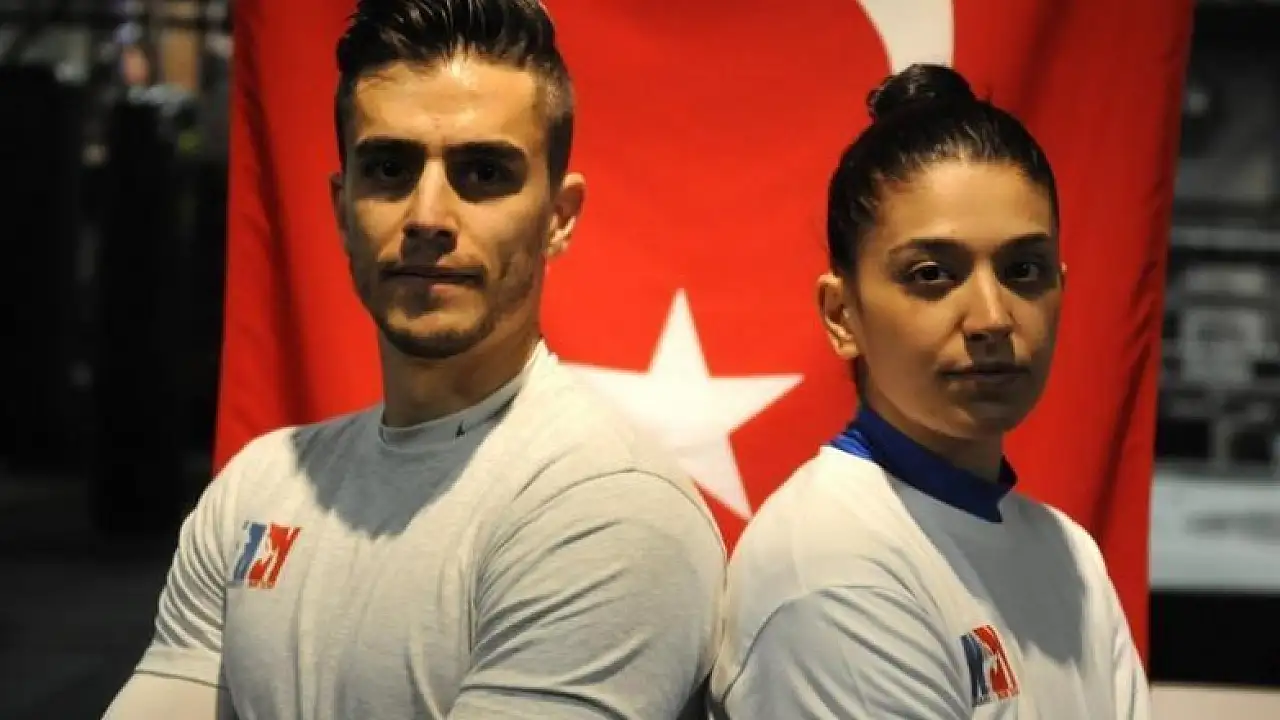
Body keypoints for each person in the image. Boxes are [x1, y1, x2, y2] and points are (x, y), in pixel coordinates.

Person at [103, 1, 725, 718]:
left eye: (483, 172)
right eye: (390, 168)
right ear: (342, 208)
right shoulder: (257, 488)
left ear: (559, 217)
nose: (428, 216)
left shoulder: (609, 509)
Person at [709, 64, 1149, 719]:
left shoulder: (1071, 557)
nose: (992, 317)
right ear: (841, 314)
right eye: (932, 274)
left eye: (1023, 270)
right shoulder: (831, 567)